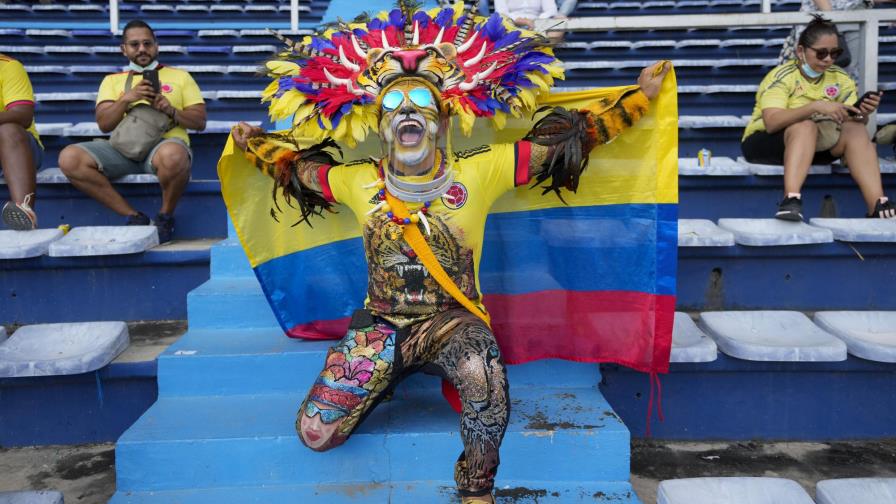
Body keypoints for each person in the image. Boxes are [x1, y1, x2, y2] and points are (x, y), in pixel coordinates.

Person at [225, 4, 670, 503]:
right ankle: (384, 376)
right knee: (316, 434)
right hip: (381, 325)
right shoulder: (357, 180)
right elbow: (294, 172)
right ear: (380, 125)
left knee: (483, 373)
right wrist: (255, 146)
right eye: (395, 105)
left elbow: (569, 144)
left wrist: (637, 101)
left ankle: (476, 491)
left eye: (421, 102)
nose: (409, 112)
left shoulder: (481, 169)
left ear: (440, 121)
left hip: (454, 322)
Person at [58, 20, 207, 242]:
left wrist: (172, 110)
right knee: (70, 158)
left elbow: (199, 121)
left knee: (173, 155)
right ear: (123, 49)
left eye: (147, 43)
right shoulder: (112, 80)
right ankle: (134, 216)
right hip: (122, 148)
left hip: (163, 147)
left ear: (156, 46)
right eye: (134, 44)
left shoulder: (180, 76)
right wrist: (126, 99)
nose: (142, 49)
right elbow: (104, 124)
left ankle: (165, 216)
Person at [742, 15, 894, 221]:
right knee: (805, 126)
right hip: (766, 141)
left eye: (835, 53)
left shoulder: (841, 78)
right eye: (821, 53)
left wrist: (862, 114)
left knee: (856, 130)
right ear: (801, 51)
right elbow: (771, 122)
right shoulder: (781, 76)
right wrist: (814, 107)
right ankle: (790, 200)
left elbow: (853, 121)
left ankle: (877, 204)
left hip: (817, 144)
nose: (828, 59)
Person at [0, 53, 43, 230]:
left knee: (7, 129)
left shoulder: (8, 66)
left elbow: (23, 115)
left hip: (18, 146)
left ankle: (23, 211)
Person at [493, 0, 568, 43]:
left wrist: (537, 21)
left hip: (538, 24)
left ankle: (541, 43)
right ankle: (534, 42)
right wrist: (520, 20)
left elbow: (551, 10)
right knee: (499, 20)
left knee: (562, 19)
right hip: (512, 23)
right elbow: (501, 11)